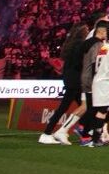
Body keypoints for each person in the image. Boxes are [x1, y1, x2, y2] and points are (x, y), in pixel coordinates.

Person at [41, 12, 103, 145]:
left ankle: (82, 130)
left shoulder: (70, 44)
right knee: (66, 107)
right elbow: (78, 63)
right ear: (82, 32)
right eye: (86, 30)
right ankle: (48, 133)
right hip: (75, 79)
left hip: (69, 77)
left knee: (84, 106)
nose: (88, 31)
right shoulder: (80, 45)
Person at [85, 24, 109, 148]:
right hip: (106, 83)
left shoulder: (104, 47)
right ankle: (96, 137)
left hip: (100, 81)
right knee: (102, 110)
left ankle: (99, 130)